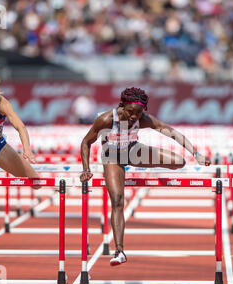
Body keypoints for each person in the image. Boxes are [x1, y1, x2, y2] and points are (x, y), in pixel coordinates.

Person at [80, 87, 211, 266]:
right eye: (130, 112)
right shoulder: (106, 119)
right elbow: (86, 142)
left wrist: (197, 154)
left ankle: (151, 166)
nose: (134, 117)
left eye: (139, 113)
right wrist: (86, 168)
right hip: (112, 157)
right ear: (122, 106)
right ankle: (119, 251)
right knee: (117, 200)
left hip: (134, 151)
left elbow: (171, 132)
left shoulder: (143, 119)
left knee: (179, 162)